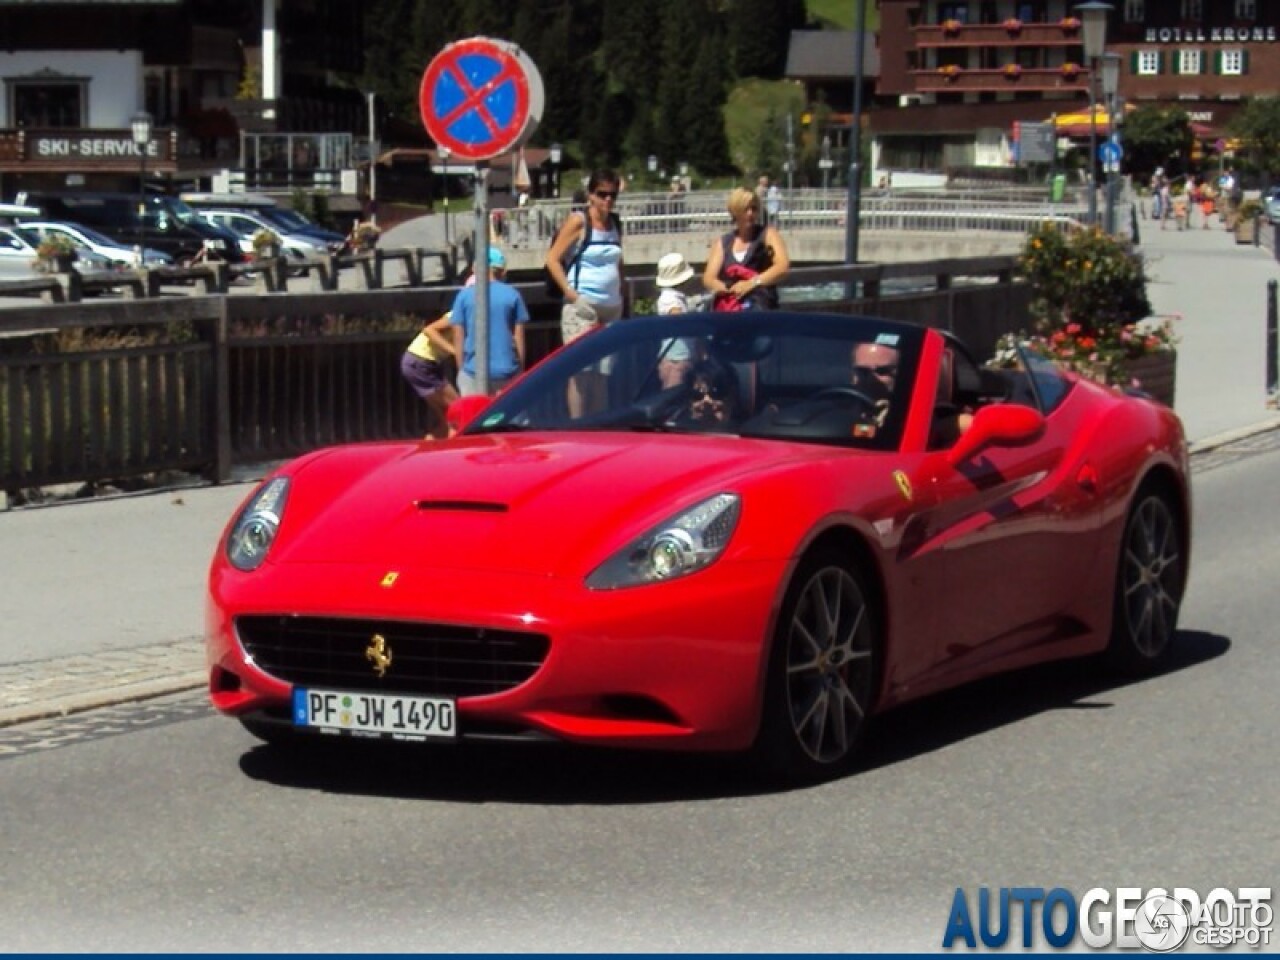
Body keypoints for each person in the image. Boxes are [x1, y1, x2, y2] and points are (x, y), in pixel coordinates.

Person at [545, 168, 625, 416]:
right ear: (591, 195)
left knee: (603, 373)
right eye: (602, 194)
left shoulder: (615, 223)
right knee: (580, 372)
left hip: (611, 307)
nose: (608, 200)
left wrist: (621, 294)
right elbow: (552, 259)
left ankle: (598, 422)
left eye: (612, 195)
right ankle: (578, 422)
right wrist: (572, 295)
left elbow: (618, 262)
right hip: (583, 305)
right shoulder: (580, 221)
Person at [450, 246, 529, 397]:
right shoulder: (513, 295)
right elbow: (519, 337)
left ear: (475, 268)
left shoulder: (464, 296)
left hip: (473, 370)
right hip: (507, 370)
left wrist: (461, 369)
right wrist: (520, 367)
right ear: (501, 270)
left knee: (476, 417)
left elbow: (458, 336)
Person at [702, 186, 790, 312]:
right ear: (735, 211)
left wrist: (752, 283)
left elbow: (782, 267)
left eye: (754, 209)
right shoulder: (723, 243)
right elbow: (708, 278)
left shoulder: (768, 234)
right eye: (745, 209)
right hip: (731, 310)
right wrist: (724, 288)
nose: (750, 213)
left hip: (760, 308)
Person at [400, 306, 460, 440]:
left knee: (447, 418)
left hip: (420, 362)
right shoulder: (456, 315)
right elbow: (429, 330)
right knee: (459, 412)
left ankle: (428, 447)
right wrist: (454, 351)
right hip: (422, 362)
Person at [678, 356, 741, 428]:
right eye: (696, 394)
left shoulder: (749, 434)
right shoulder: (672, 431)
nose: (707, 400)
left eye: (716, 394)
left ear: (733, 398)